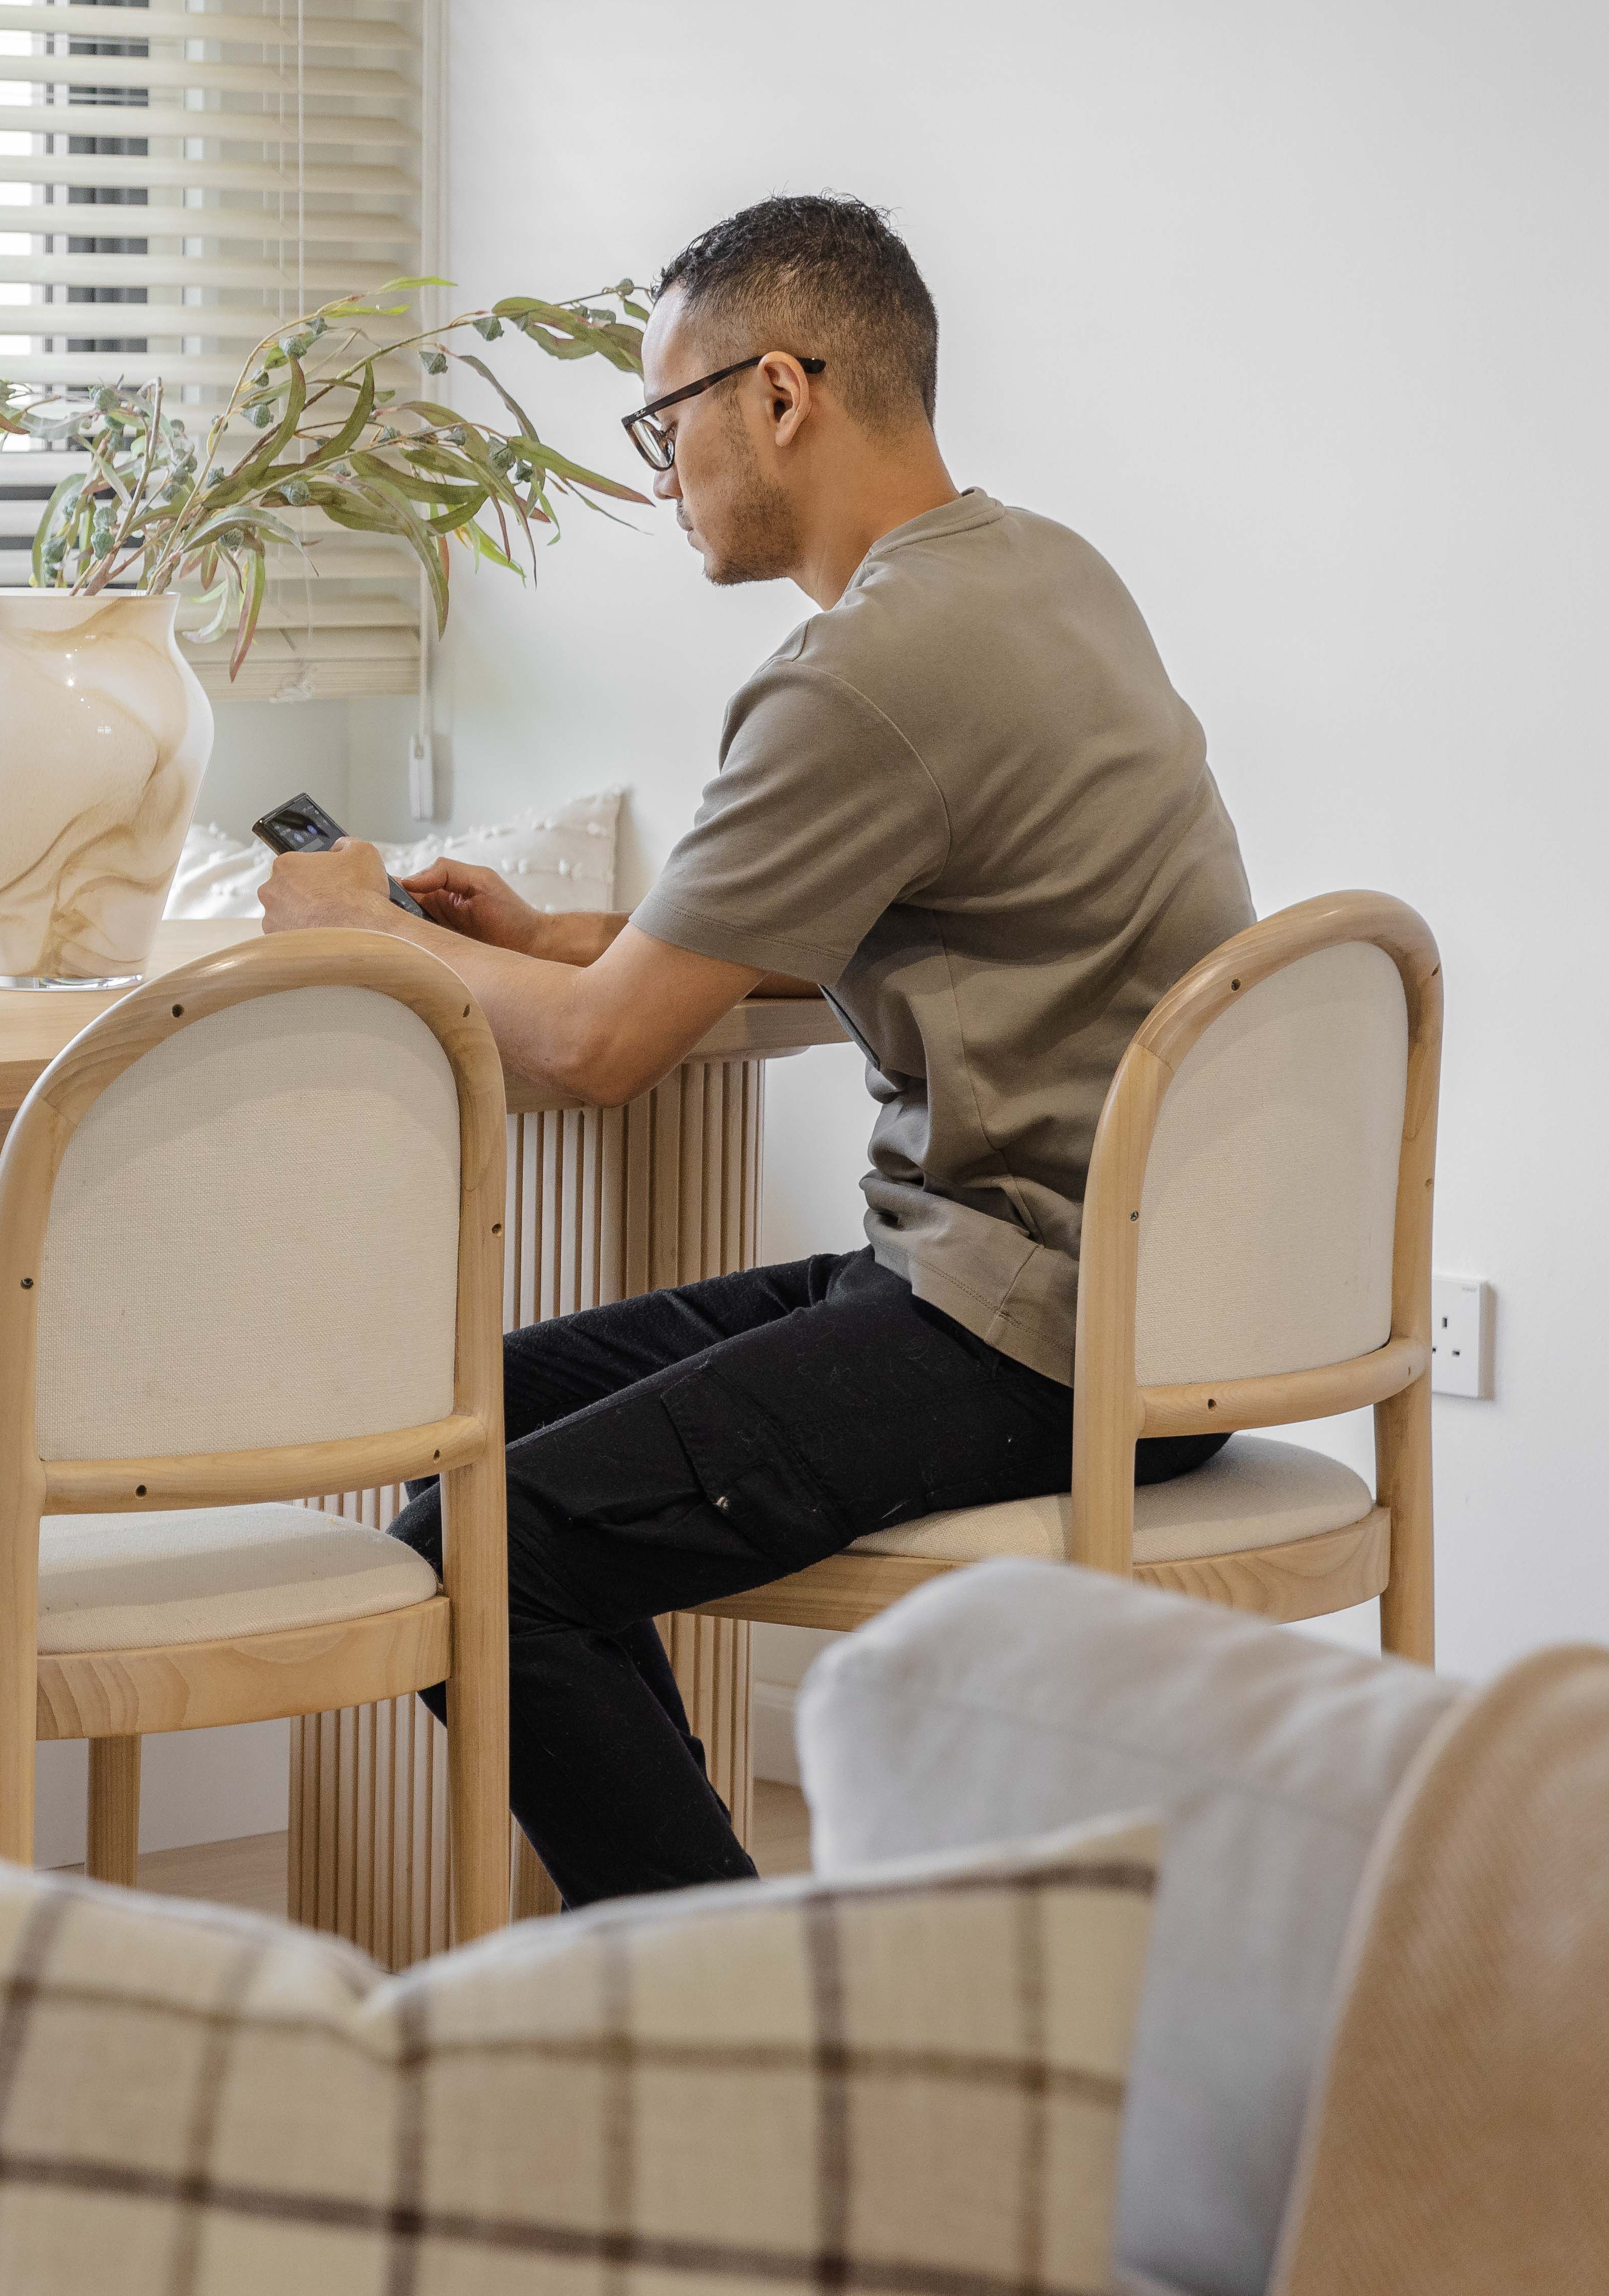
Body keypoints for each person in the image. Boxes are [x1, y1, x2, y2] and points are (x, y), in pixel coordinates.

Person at [256, 196, 1250, 1905]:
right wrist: (563, 934)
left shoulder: (864, 674)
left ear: (779, 393)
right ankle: (704, 1941)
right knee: (464, 1418)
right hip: (1150, 1293)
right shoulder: (1042, 576)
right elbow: (907, 914)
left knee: (488, 1553)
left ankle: (734, 1999)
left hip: (1040, 1331)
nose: (659, 477)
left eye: (666, 423)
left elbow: (599, 1057)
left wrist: (368, 930)